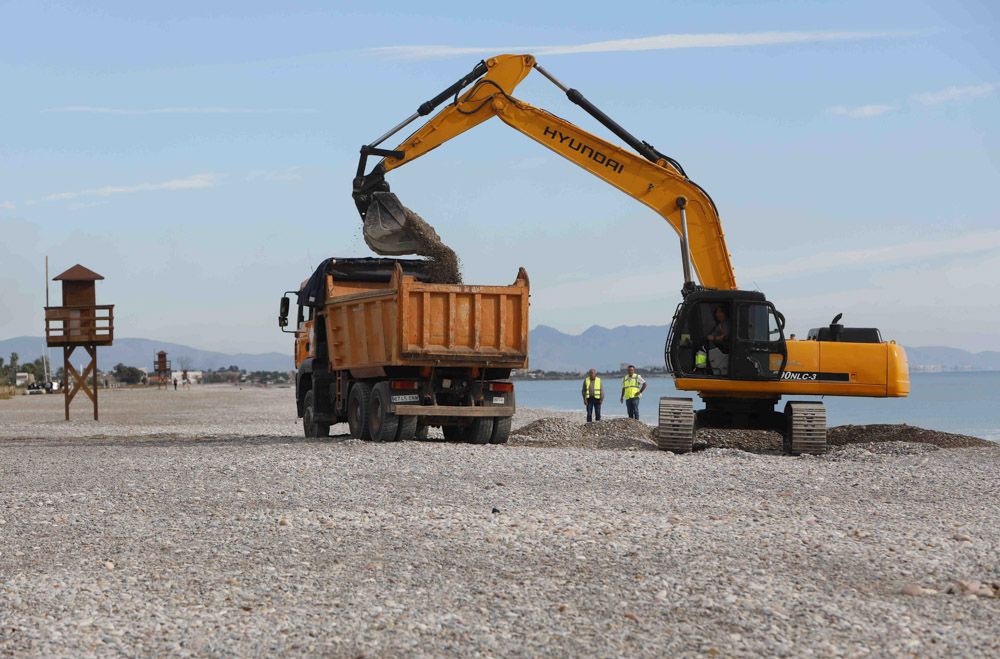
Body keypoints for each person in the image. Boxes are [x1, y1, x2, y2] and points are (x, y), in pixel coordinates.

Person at [705, 305, 730, 375]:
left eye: (719, 312)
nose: (717, 314)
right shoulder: (719, 324)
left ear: (724, 313)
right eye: (716, 313)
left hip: (723, 351)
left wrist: (714, 338)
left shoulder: (726, 324)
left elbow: (726, 335)